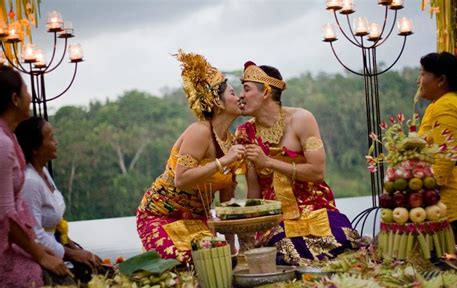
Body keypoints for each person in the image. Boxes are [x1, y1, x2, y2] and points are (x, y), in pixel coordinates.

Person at [237, 61, 359, 266]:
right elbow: (254, 190)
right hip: (275, 216)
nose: (241, 95)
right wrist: (249, 233)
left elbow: (317, 172)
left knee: (341, 240)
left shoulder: (302, 119)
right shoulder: (244, 133)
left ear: (266, 92)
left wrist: (268, 162)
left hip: (314, 206)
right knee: (282, 250)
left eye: (246, 89)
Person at [136, 51, 245, 263]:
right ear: (218, 102)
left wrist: (232, 248)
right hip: (161, 216)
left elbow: (226, 200)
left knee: (218, 262)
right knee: (188, 263)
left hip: (198, 219)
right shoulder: (200, 131)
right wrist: (223, 161)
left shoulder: (231, 143)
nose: (239, 97)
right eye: (233, 93)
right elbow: (182, 178)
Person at [0, 66, 68, 288]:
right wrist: (42, 255)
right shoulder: (3, 145)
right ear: (15, 99)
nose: (31, 96)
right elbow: (6, 214)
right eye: (26, 89)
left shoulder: (7, 138)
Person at [15, 117, 102, 283]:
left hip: (57, 246)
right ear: (35, 148)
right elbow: (35, 234)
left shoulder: (43, 172)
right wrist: (72, 254)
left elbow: (56, 224)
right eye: (51, 138)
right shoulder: (30, 182)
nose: (56, 142)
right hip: (42, 255)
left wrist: (73, 247)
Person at [417, 52, 457, 255]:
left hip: (451, 187)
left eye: (423, 73)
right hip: (446, 186)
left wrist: (429, 187)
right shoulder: (441, 104)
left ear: (441, 80)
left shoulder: (446, 105)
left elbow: (445, 153)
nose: (419, 80)